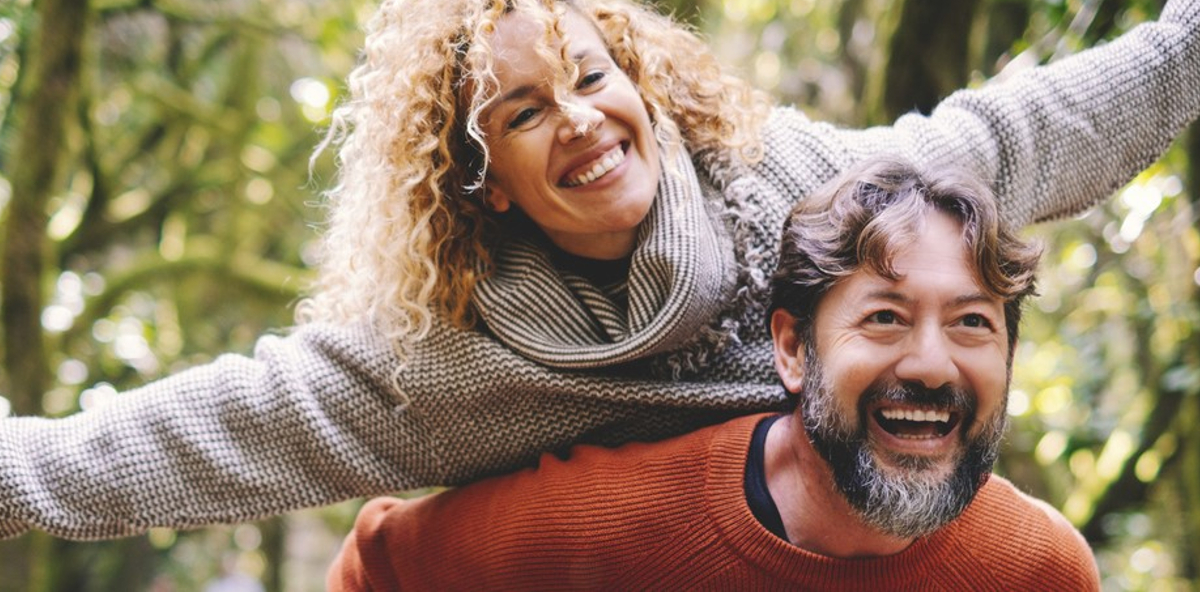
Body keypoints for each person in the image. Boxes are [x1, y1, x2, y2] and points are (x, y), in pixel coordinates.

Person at [1, 0, 1199, 540]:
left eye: (590, 75)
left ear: (642, 86)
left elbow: (1015, 136)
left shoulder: (788, 182)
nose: (578, 119)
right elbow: (223, 426)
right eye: (522, 113)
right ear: (481, 180)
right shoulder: (452, 354)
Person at [326, 157, 1100, 590]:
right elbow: (380, 569)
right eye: (885, 318)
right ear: (794, 350)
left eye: (972, 324)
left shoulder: (1041, 570)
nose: (932, 365)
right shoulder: (609, 523)